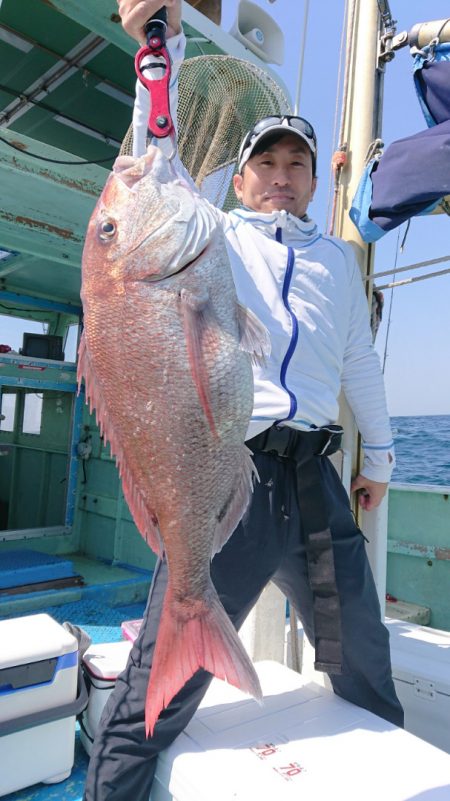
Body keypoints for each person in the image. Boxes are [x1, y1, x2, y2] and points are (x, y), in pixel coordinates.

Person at [83, 2, 403, 799]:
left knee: (362, 652)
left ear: (311, 173)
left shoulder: (336, 260)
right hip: (236, 471)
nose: (282, 178)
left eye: (297, 164)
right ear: (243, 174)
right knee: (158, 690)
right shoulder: (212, 233)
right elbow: (150, 161)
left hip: (318, 482)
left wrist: (384, 461)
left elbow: (359, 362)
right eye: (267, 164)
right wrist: (163, 46)